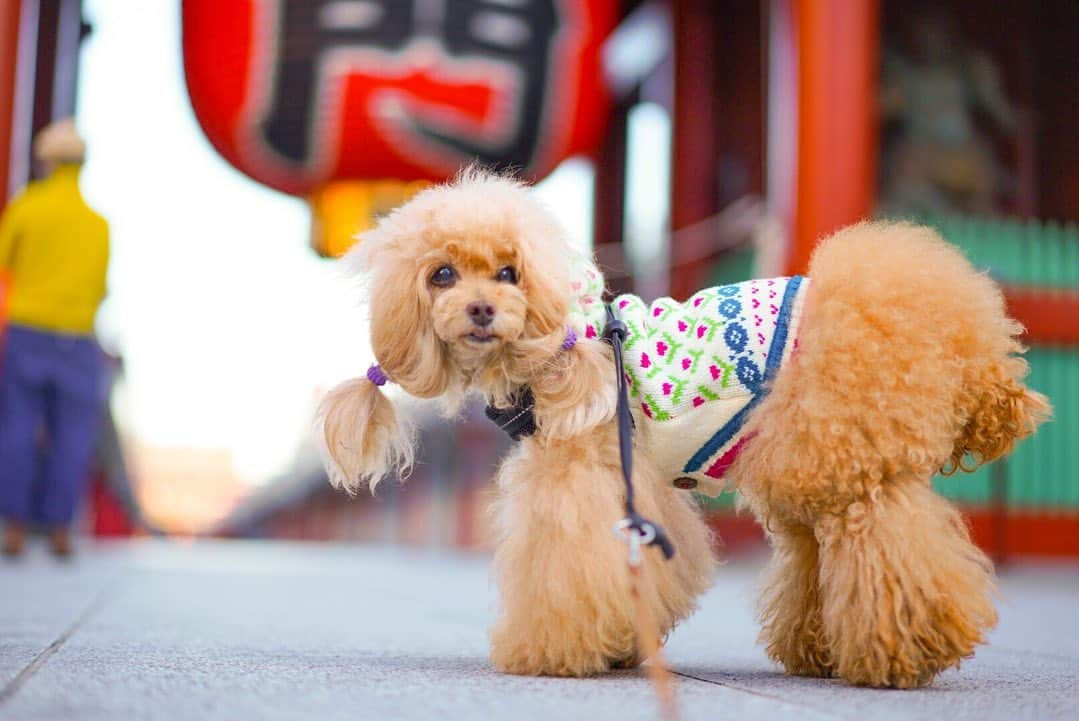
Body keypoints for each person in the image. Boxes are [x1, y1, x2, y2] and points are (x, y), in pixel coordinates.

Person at [0, 118, 110, 558]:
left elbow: (5, 260)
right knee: (72, 435)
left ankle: (15, 528)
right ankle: (61, 529)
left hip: (29, 330)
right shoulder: (97, 224)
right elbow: (101, 288)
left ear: (47, 161)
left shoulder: (28, 207)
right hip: (78, 337)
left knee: (19, 428)